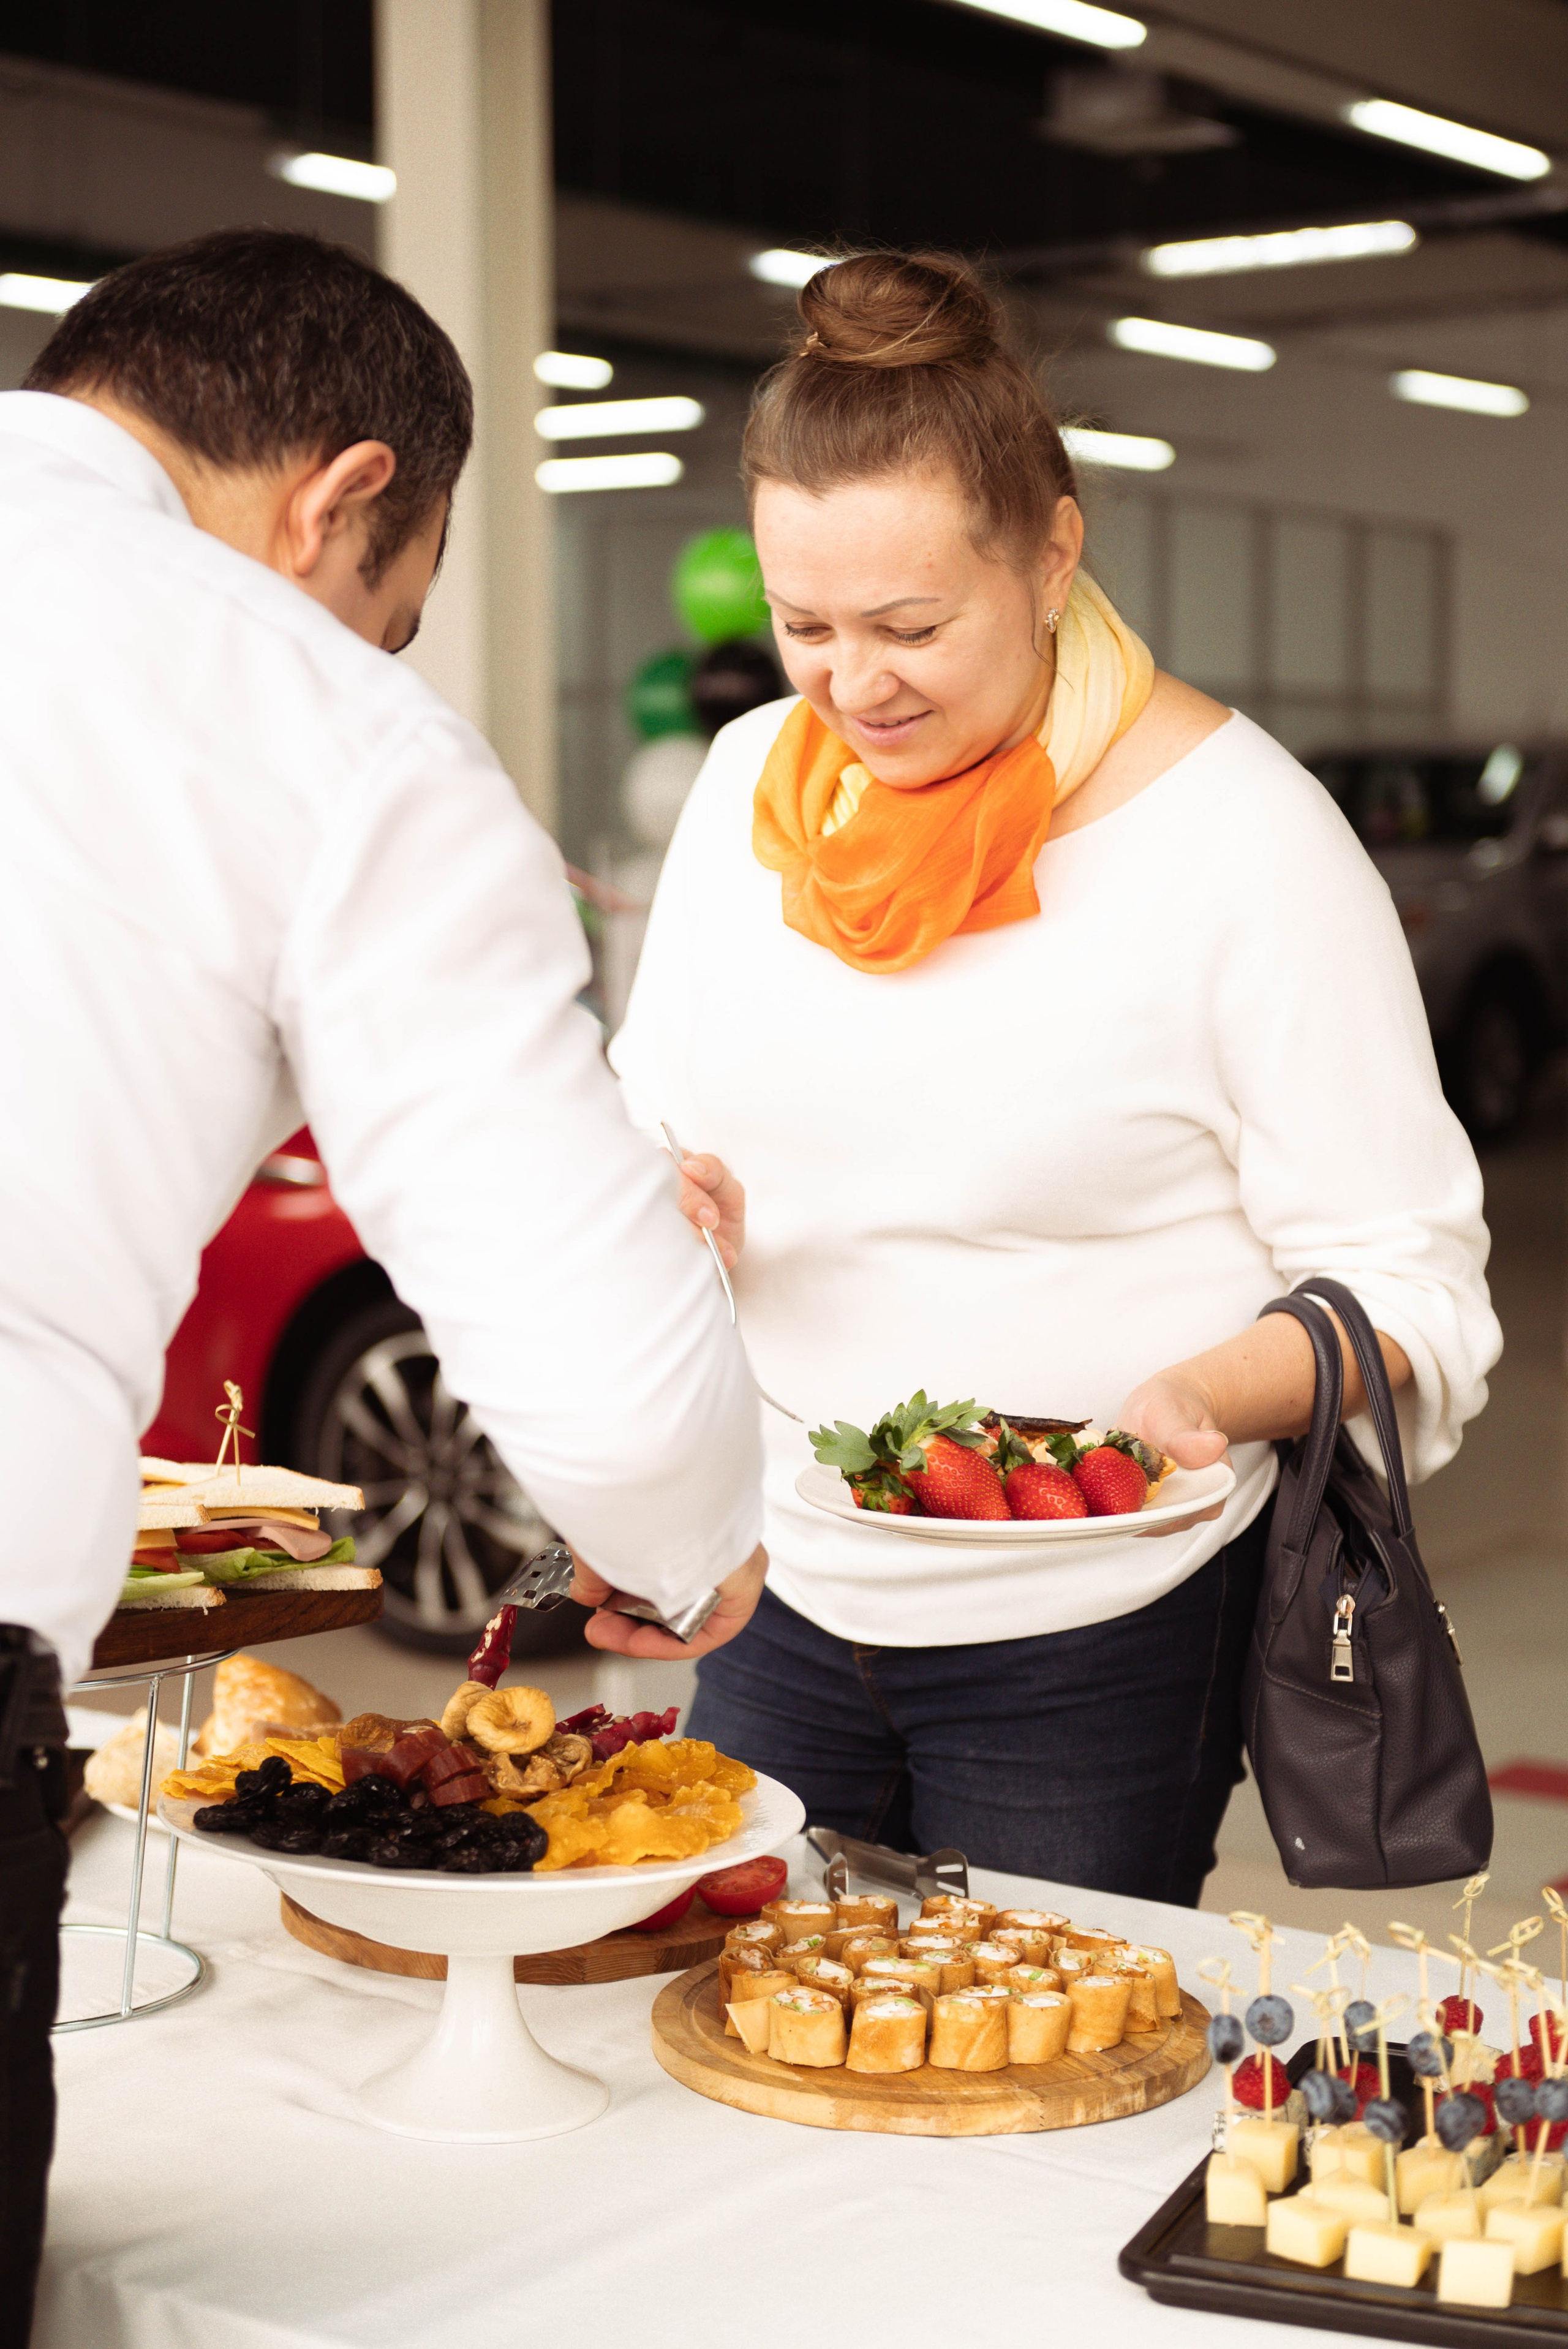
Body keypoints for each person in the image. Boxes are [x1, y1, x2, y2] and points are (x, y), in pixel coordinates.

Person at [0, 227, 764, 2348]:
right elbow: (611, 1387)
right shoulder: (308, 723)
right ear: (338, 501)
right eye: (393, 615)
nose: (383, 661)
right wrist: (693, 1541)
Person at [611, 249, 1500, 1900]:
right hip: (779, 1587)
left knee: (1048, 2114)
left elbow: (1419, 1291)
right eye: (803, 623)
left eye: (910, 624)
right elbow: (649, 1101)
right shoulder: (753, 787)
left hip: (1098, 1638)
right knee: (747, 2064)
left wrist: (1203, 1396)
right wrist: (661, 1188)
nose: (848, 684)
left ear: (1052, 549)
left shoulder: (1248, 844)